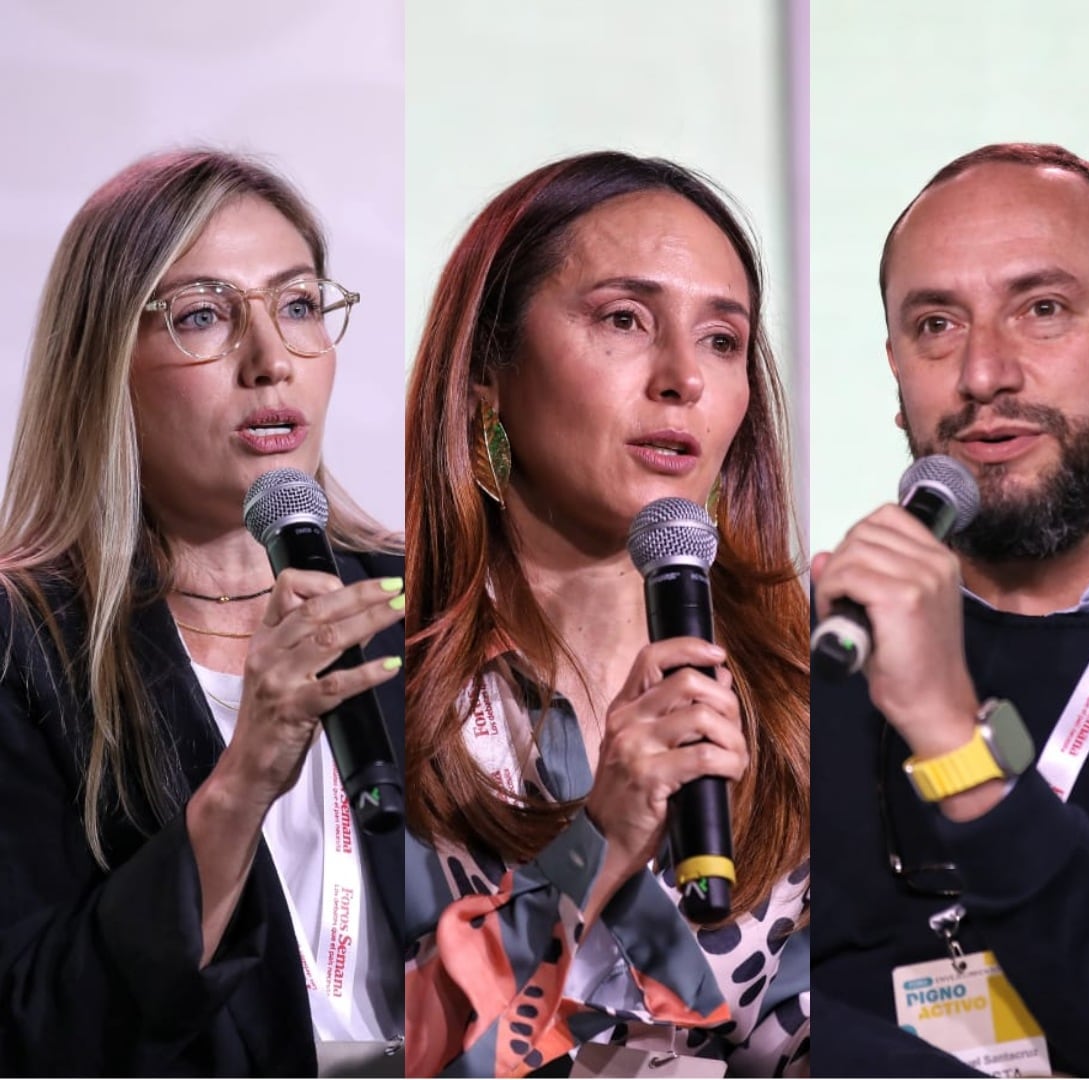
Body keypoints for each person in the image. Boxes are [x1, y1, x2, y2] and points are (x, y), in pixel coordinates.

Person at [809, 143, 1089, 1077]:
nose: (984, 371)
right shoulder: (824, 648)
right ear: (894, 369)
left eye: (1043, 309)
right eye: (937, 324)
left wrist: (953, 737)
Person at [402, 151, 810, 1078]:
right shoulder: (387, 690)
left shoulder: (798, 691)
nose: (683, 380)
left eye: (721, 339)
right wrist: (597, 844)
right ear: (487, 373)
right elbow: (411, 1051)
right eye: (625, 320)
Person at [0, 150, 406, 1075]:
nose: (272, 362)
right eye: (202, 317)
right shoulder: (26, 645)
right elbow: (35, 1028)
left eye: (299, 305)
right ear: (102, 359)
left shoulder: (412, 602)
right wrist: (241, 783)